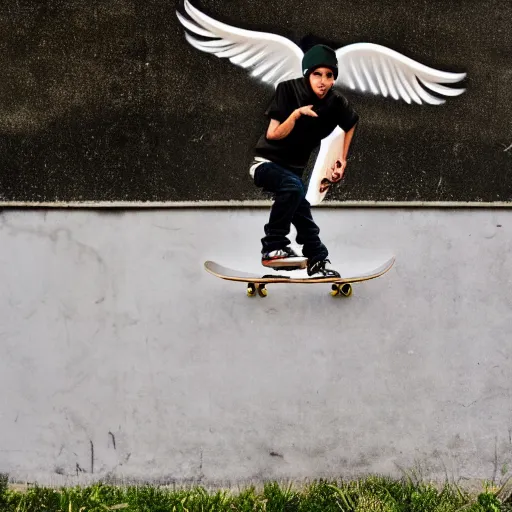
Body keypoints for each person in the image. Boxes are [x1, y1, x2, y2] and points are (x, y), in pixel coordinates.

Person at [249, 44, 359, 277]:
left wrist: (342, 159)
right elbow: (273, 134)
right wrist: (296, 114)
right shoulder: (288, 90)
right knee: (291, 186)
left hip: (294, 177)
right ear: (307, 75)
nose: (323, 82)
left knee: (304, 216)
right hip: (265, 164)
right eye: (317, 74)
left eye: (329, 76)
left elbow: (351, 123)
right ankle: (272, 247)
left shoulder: (336, 103)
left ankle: (317, 259)